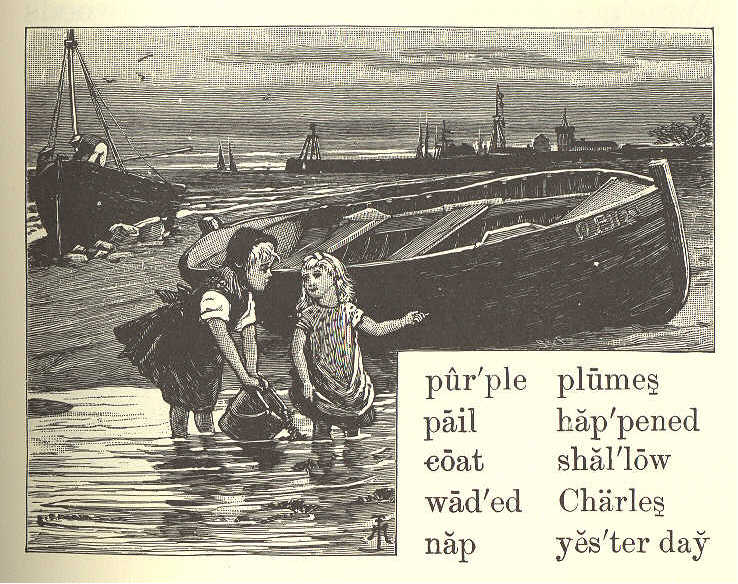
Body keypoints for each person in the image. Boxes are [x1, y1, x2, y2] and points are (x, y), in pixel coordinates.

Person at [114, 227, 280, 438]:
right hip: (178, 348)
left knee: (205, 404)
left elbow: (248, 335)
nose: (269, 275)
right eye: (264, 268)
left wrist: (252, 372)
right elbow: (224, 339)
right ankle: (181, 443)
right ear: (240, 264)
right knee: (181, 402)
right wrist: (243, 378)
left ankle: (206, 445)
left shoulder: (245, 295)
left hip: (207, 354)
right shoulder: (215, 294)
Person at [290, 251, 427, 440]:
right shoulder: (308, 315)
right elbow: (297, 350)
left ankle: (354, 465)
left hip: (350, 388)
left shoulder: (349, 311)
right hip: (321, 387)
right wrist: (305, 381)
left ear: (333, 277)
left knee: (353, 435)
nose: (310, 282)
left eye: (317, 275)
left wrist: (404, 321)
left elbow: (376, 329)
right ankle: (321, 465)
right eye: (306, 278)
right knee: (322, 433)